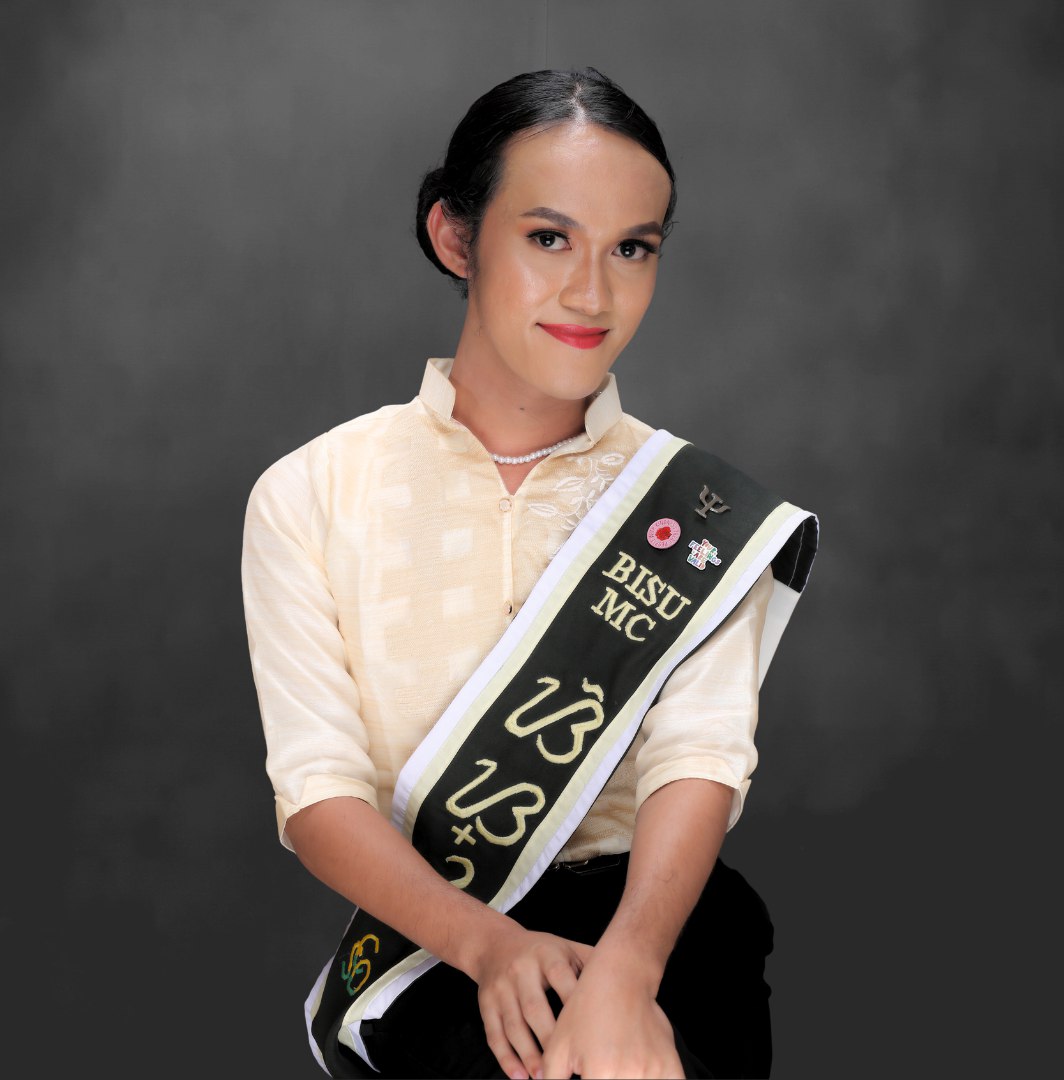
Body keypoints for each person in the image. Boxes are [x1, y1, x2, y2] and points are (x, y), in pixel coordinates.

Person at [241, 68, 817, 1080]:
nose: (593, 293)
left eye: (632, 248)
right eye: (549, 238)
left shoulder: (697, 511)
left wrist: (629, 972)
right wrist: (491, 948)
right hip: (439, 941)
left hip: (669, 931)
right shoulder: (314, 493)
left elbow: (700, 759)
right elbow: (317, 793)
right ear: (455, 238)